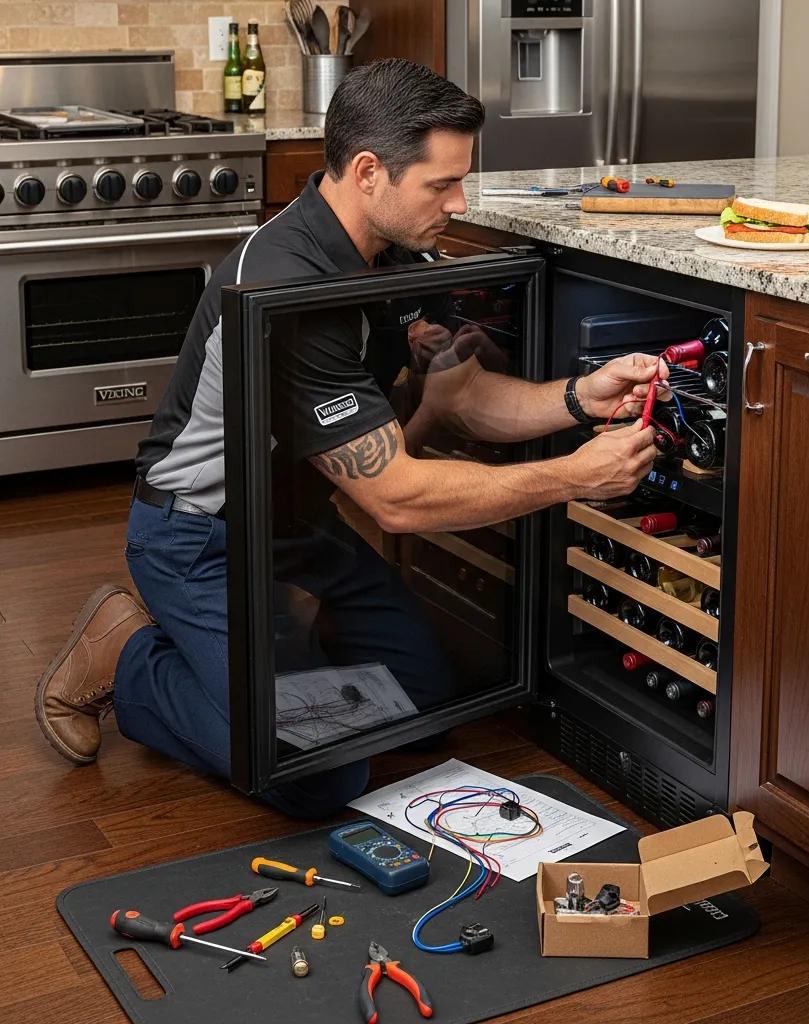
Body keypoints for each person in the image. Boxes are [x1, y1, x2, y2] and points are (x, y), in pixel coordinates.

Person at [34, 59, 663, 817]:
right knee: (317, 776)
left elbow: (457, 393)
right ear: (368, 172)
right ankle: (129, 653)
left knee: (429, 705)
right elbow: (395, 498)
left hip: (297, 530)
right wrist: (574, 476)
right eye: (441, 184)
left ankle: (279, 659)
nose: (459, 203)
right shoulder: (286, 285)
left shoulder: (394, 255)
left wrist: (576, 399)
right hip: (198, 538)